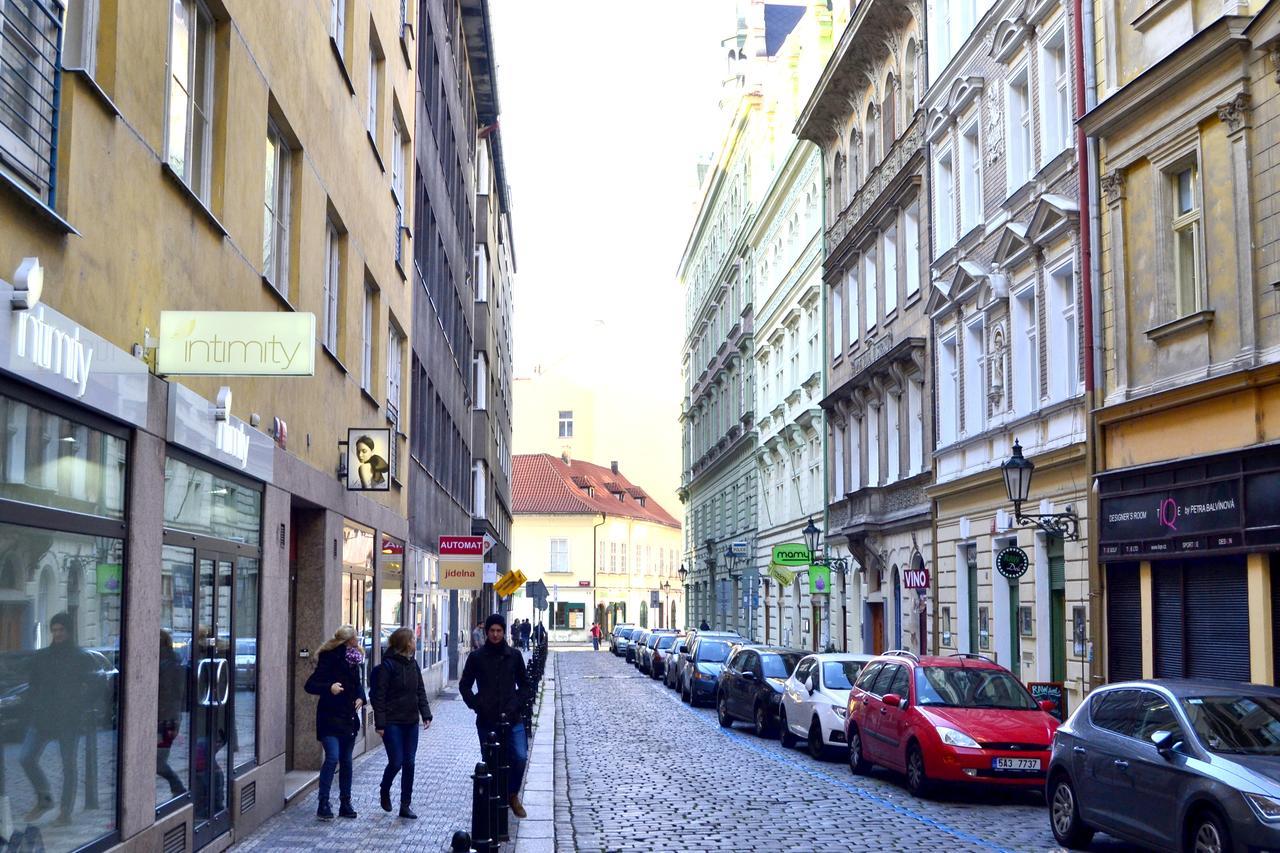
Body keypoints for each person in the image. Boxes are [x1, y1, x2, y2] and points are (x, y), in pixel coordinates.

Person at [19, 612, 94, 826]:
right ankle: (45, 799)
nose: (57, 633)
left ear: (69, 631)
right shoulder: (43, 656)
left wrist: (78, 706)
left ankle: (65, 811)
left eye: (61, 630)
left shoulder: (79, 657)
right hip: (43, 717)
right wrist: (33, 705)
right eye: (54, 630)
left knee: (69, 765)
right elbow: (32, 685)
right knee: (25, 757)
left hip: (68, 720)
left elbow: (92, 686)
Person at [459, 614, 530, 818]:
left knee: (519, 756)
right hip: (487, 718)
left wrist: (516, 704)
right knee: (490, 760)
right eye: (492, 631)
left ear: (503, 632)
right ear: (487, 632)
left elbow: (525, 685)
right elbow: (464, 686)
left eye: (499, 631)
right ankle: (494, 800)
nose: (496, 634)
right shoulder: (477, 657)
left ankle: (512, 794)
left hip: (513, 717)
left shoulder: (514, 656)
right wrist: (476, 704)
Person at [305, 625, 367, 820]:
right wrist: (329, 687)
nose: (358, 641)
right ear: (348, 641)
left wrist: (361, 697)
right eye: (355, 638)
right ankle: (323, 802)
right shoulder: (330, 658)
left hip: (348, 717)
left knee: (347, 761)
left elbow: (358, 685)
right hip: (329, 717)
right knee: (332, 757)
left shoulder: (354, 659)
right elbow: (310, 685)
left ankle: (345, 803)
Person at [371, 628, 432, 819]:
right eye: (413, 638)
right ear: (406, 642)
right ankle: (385, 789)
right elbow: (378, 696)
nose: (416, 641)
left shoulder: (413, 665)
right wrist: (380, 724)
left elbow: (420, 691)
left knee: (410, 763)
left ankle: (405, 805)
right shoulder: (388, 666)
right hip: (392, 722)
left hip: (411, 721)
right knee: (396, 762)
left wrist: (426, 714)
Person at [156, 629, 187, 797]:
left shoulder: (169, 663)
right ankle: (177, 787)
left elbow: (169, 692)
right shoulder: (170, 661)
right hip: (166, 718)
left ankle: (178, 787)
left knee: (158, 761)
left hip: (166, 719)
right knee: (156, 760)